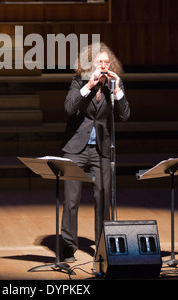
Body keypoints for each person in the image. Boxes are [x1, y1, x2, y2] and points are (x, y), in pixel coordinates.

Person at [60, 42, 130, 263]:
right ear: (90, 65)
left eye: (107, 62)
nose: (104, 65)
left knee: (103, 198)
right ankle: (68, 248)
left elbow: (125, 115)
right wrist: (89, 85)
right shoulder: (79, 81)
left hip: (102, 150)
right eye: (99, 62)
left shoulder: (113, 86)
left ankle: (102, 247)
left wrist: (118, 91)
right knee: (71, 200)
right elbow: (69, 108)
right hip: (76, 149)